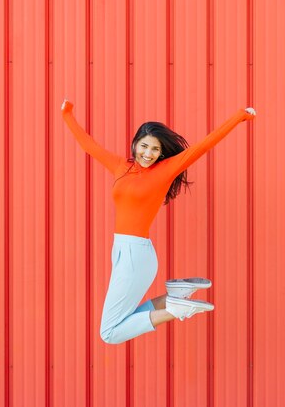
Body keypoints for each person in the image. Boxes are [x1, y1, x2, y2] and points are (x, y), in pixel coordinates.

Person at [61, 99, 256, 344]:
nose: (148, 154)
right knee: (122, 320)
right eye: (144, 146)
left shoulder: (165, 170)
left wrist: (239, 116)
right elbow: (89, 146)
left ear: (161, 153)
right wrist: (67, 114)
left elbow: (204, 145)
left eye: (155, 150)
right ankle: (176, 295)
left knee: (109, 333)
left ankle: (176, 309)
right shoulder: (122, 167)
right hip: (122, 252)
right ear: (134, 144)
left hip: (136, 255)